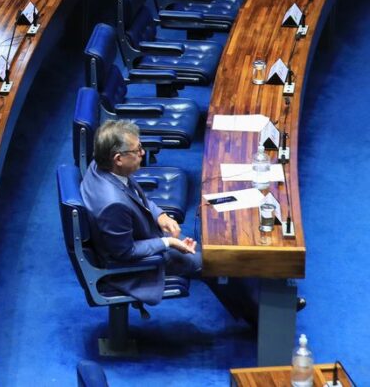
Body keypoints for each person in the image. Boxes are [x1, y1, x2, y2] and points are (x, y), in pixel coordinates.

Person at [81, 120, 266, 321]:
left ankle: (250, 305)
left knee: (217, 253)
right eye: (137, 150)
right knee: (213, 263)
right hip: (132, 265)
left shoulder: (100, 165)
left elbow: (135, 195)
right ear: (118, 158)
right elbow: (125, 253)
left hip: (144, 234)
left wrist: (160, 215)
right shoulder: (112, 204)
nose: (142, 153)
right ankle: (262, 318)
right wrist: (168, 242)